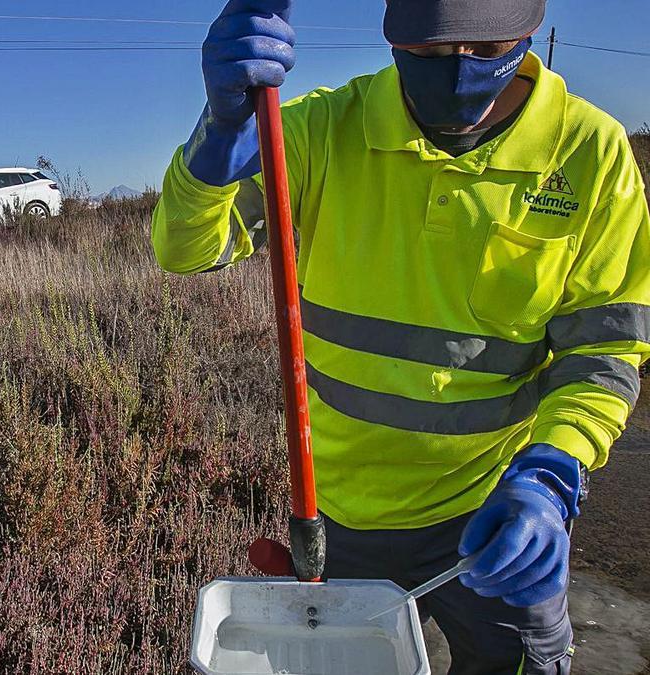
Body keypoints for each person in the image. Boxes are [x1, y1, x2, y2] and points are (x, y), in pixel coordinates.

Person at [152, 0, 649, 672]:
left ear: (527, 32)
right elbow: (187, 249)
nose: (457, 71)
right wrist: (216, 142)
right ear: (395, 36)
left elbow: (601, 355)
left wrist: (551, 474)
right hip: (342, 515)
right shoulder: (324, 130)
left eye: (482, 50)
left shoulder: (589, 154)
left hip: (490, 511)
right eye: (431, 51)